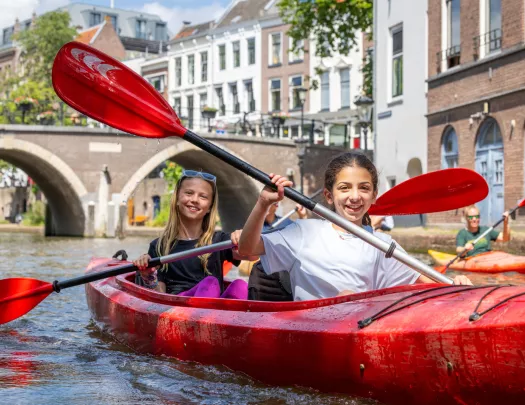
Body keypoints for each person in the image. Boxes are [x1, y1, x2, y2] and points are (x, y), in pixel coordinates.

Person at [238, 152, 472, 301]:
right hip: (314, 332)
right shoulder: (303, 232)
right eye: (344, 188)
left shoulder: (385, 244)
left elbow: (429, 284)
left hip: (363, 327)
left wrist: (455, 285)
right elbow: (247, 251)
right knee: (347, 296)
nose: (354, 196)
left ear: (374, 196)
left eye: (363, 188)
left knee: (351, 297)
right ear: (329, 196)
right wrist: (262, 203)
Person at [133, 170, 256, 299]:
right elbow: (159, 296)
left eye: (203, 196)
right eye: (189, 193)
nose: (195, 200)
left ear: (209, 207)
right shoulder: (159, 246)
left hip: (214, 309)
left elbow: (253, 255)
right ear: (177, 199)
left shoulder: (219, 241)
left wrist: (245, 237)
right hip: (179, 307)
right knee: (210, 284)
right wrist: (149, 277)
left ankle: (230, 318)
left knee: (240, 285)